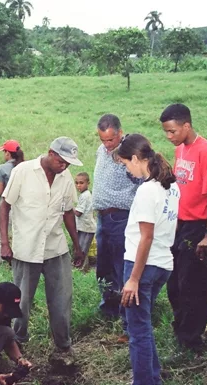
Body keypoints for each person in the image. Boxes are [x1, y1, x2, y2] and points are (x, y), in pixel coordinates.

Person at [0, 138, 85, 366]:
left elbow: (67, 212)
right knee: (21, 300)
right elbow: (5, 206)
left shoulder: (65, 178)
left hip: (55, 247)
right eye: (62, 161)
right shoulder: (24, 172)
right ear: (51, 153)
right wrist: (4, 244)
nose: (64, 166)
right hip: (26, 248)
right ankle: (18, 342)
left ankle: (63, 346)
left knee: (61, 298)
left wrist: (76, 246)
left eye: (69, 163)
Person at [117, 133, 180, 385]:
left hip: (142, 265)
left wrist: (133, 278)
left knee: (137, 329)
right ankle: (152, 377)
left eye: (125, 164)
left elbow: (146, 236)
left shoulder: (147, 189)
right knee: (143, 324)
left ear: (135, 158)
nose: (127, 169)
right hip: (163, 264)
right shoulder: (171, 185)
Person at [160, 103, 207, 352]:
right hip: (181, 224)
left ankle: (192, 338)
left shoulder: (206, 151)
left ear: (186, 125)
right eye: (166, 131)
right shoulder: (180, 150)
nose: (169, 136)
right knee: (174, 281)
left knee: (195, 284)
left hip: (200, 228)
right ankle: (182, 327)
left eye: (172, 131)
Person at [92, 114, 141, 342]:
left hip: (122, 217)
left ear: (120, 133)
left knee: (124, 268)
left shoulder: (129, 152)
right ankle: (109, 307)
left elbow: (141, 180)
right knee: (104, 266)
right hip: (102, 218)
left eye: (110, 140)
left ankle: (128, 321)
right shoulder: (102, 151)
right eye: (103, 140)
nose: (107, 144)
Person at [0, 140, 24, 268]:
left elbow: (0, 192)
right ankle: (16, 264)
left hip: (6, 207)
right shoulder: (24, 167)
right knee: (17, 236)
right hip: (21, 207)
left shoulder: (2, 169)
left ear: (8, 154)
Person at [74, 172, 96, 269]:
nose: (78, 185)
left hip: (87, 228)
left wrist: (69, 208)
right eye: (77, 183)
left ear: (88, 183)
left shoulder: (85, 196)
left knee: (82, 250)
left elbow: (79, 212)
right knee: (80, 248)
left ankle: (81, 269)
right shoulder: (85, 194)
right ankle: (82, 267)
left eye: (81, 183)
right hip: (84, 227)